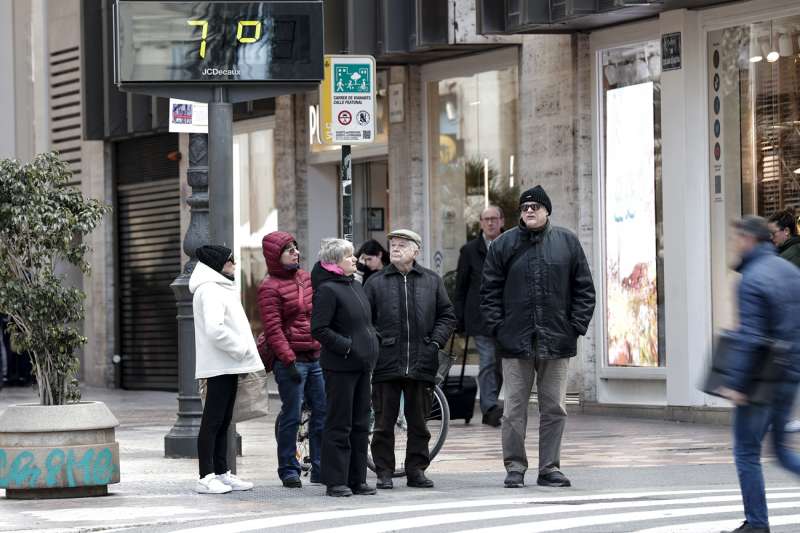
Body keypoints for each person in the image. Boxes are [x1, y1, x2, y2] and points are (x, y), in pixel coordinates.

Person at [481, 185, 595, 489]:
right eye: (524, 207)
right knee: (514, 409)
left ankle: (549, 467)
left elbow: (584, 289)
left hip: (556, 340)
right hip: (515, 342)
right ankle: (515, 467)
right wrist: (498, 328)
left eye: (535, 206)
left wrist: (575, 327)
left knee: (555, 407)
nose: (529, 211)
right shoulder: (504, 245)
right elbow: (488, 292)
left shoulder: (567, 242)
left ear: (547, 211)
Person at [715, 216, 800, 533]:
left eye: (738, 238)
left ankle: (757, 523)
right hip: (789, 374)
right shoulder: (790, 271)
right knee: (781, 451)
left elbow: (750, 337)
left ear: (752, 240)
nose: (735, 244)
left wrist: (737, 384)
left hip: (760, 379)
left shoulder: (750, 278)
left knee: (746, 452)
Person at [364, 229, 456, 490]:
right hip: (386, 362)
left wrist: (435, 342)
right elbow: (365, 320)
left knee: (419, 421)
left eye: (402, 245)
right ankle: (383, 471)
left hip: (422, 360)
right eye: (392, 244)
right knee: (383, 422)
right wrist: (377, 343)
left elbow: (447, 315)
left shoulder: (431, 280)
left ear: (416, 251)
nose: (395, 248)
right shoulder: (376, 282)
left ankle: (416, 470)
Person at [190, 245, 264, 494]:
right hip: (219, 365)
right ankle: (206, 476)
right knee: (213, 421)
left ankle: (221, 472)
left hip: (227, 364)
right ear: (217, 264)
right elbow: (215, 329)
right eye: (229, 260)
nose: (234, 263)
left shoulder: (219, 287)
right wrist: (241, 348)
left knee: (223, 421)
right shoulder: (210, 290)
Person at [311, 238, 379, 498]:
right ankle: (336, 480)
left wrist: (374, 343)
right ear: (334, 261)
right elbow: (319, 329)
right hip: (340, 367)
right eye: (349, 256)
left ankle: (357, 478)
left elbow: (365, 324)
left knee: (361, 423)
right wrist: (347, 346)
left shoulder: (355, 284)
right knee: (340, 423)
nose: (355, 259)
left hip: (362, 366)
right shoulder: (328, 289)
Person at [258, 231, 325, 488]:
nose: (296, 252)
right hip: (291, 360)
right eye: (289, 249)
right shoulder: (269, 287)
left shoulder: (305, 278)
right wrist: (287, 360)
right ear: (276, 256)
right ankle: (288, 469)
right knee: (292, 414)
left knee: (322, 411)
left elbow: (315, 315)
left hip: (314, 355)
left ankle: (319, 467)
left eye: (296, 248)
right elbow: (273, 329)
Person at [454, 205, 506, 427]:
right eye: (486, 219)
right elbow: (461, 287)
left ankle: (491, 402)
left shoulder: (511, 244)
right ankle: (490, 407)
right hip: (481, 317)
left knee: (501, 364)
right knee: (487, 361)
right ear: (481, 223)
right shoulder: (469, 251)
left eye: (494, 218)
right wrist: (459, 319)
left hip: (507, 317)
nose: (491, 223)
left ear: (502, 221)